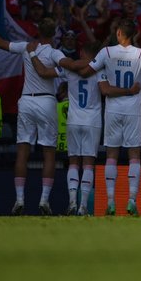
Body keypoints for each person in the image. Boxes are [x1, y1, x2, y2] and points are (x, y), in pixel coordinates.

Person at [52, 18, 141, 216]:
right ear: (134, 35)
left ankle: (110, 201)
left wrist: (68, 65)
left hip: (112, 111)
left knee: (111, 156)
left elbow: (85, 72)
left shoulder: (106, 52)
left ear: (118, 33)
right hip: (133, 111)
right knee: (134, 156)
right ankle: (132, 200)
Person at [0, 14, 61, 215]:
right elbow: (69, 65)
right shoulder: (56, 54)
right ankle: (44, 201)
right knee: (48, 153)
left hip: (26, 101)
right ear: (55, 33)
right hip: (47, 101)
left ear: (38, 31)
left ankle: (19, 199)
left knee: (23, 151)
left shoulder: (26, 47)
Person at [55, 42, 100, 215]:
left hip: (73, 120)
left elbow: (47, 73)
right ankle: (83, 207)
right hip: (92, 121)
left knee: (73, 162)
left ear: (81, 52)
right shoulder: (99, 70)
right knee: (88, 164)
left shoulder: (69, 69)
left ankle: (72, 202)